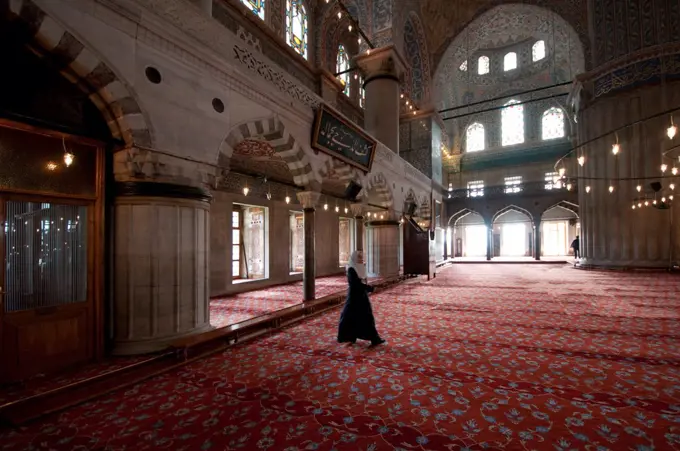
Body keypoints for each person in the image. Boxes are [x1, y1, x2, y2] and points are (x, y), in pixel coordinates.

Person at [337, 251, 385, 346]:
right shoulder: (351, 269)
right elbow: (356, 284)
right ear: (354, 258)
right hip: (354, 297)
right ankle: (347, 336)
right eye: (359, 258)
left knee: (367, 317)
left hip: (362, 296)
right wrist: (369, 288)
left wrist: (367, 288)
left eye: (361, 257)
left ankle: (374, 338)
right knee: (349, 316)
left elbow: (362, 282)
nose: (361, 259)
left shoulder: (360, 267)